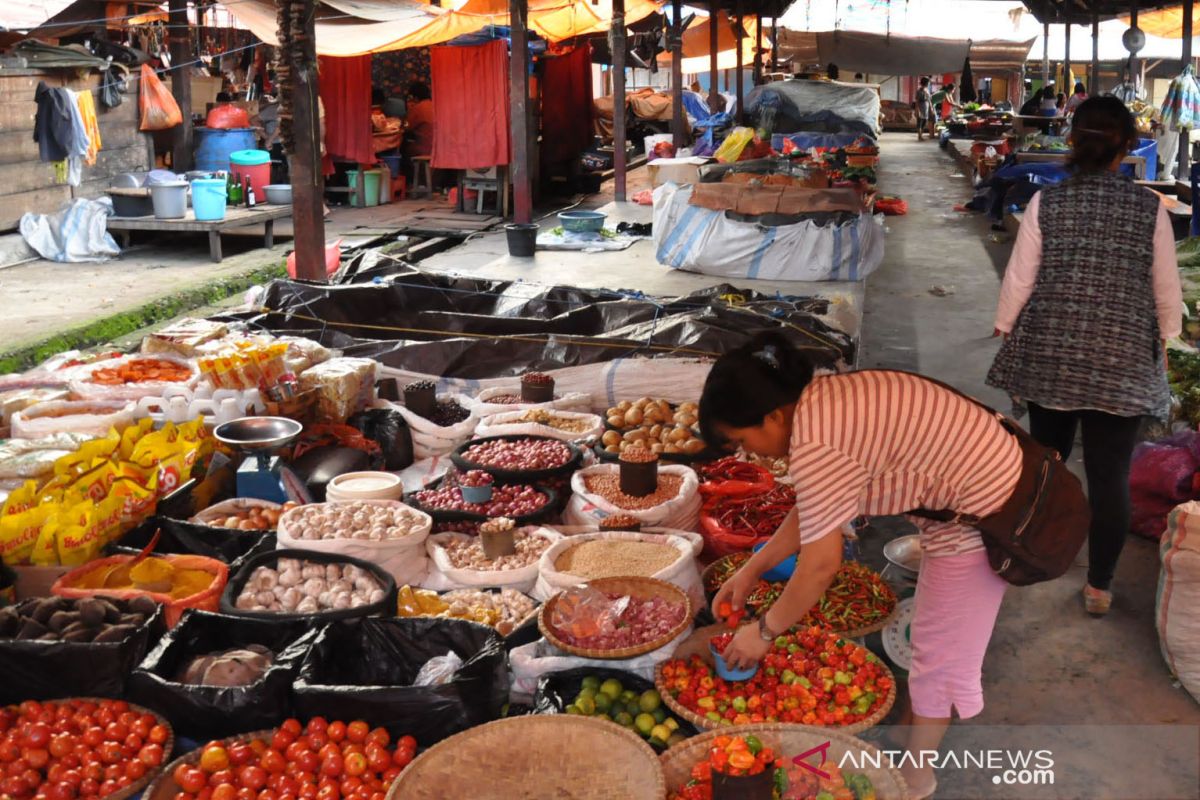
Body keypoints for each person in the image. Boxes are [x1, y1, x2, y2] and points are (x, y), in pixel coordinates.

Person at [701, 334, 1025, 800]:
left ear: (772, 416)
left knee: (941, 656)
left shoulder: (815, 442)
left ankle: (918, 778)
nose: (747, 455)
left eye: (742, 441)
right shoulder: (816, 405)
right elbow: (816, 505)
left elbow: (820, 566)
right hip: (972, 490)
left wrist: (765, 632)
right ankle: (908, 734)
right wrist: (752, 568)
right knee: (937, 636)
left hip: (988, 510)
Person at [987, 96, 1182, 616]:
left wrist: (1007, 327)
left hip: (1052, 354)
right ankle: (1099, 586)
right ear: (1124, 149)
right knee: (1109, 475)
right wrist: (1164, 340)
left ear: (1073, 143)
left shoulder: (1046, 204)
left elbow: (1019, 280)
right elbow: (1166, 291)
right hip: (1121, 363)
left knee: (1046, 466)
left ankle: (1031, 560)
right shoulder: (1149, 211)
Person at [402, 81, 434, 161]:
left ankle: (407, 172)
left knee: (403, 148)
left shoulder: (418, 108)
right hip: (440, 148)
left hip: (425, 149)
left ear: (415, 97)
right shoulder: (435, 105)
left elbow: (406, 127)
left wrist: (410, 110)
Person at [915, 77, 934, 141]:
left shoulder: (927, 90)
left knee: (924, 121)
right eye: (928, 82)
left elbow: (929, 100)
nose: (929, 84)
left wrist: (931, 108)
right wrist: (917, 110)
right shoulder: (919, 91)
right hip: (921, 107)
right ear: (925, 83)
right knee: (920, 122)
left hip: (926, 107)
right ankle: (920, 136)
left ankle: (921, 135)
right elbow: (917, 101)